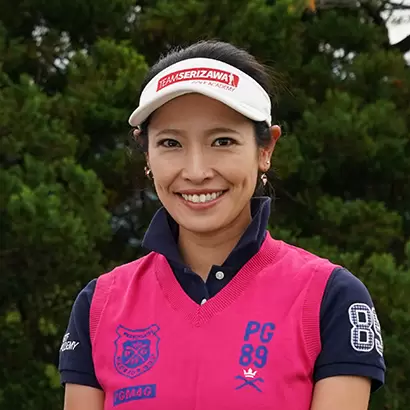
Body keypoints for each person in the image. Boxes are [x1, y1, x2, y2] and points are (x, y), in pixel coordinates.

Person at [59, 40, 386, 410]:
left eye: (222, 141)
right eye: (171, 143)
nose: (196, 171)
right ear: (146, 153)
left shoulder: (331, 297)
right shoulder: (99, 304)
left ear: (266, 149)